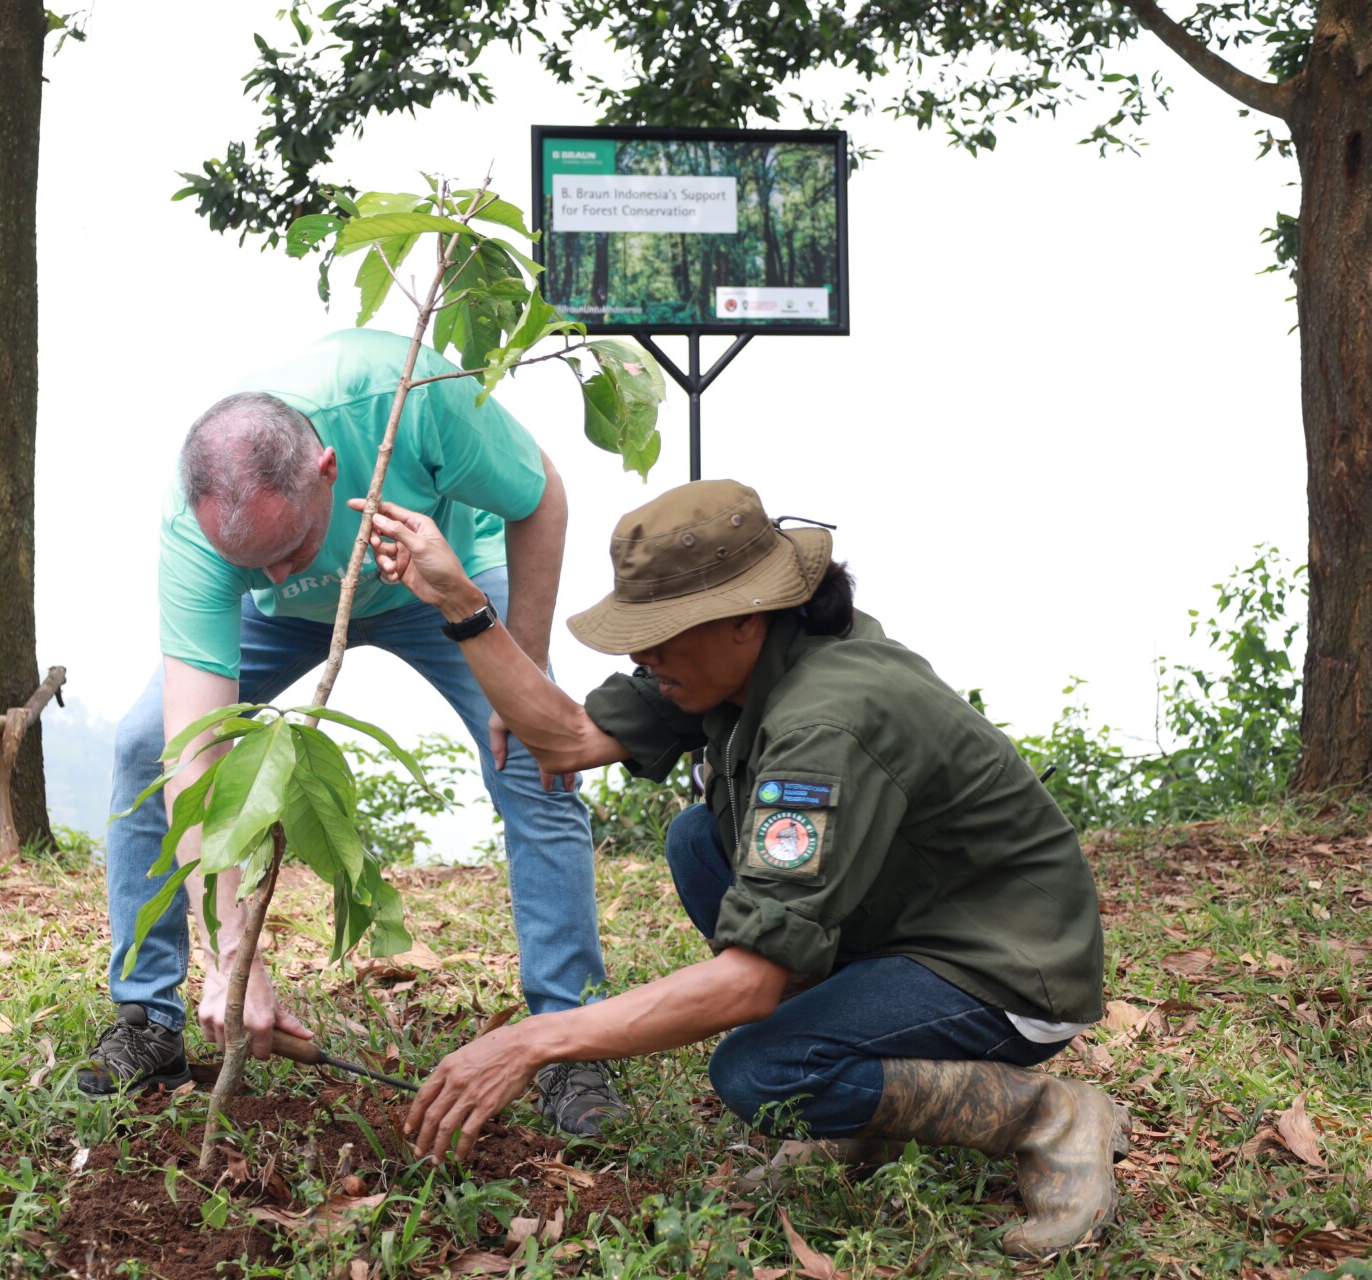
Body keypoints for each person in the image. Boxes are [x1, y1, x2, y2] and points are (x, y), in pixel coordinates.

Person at [361, 478, 1126, 1259]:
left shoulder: (825, 719)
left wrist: (535, 1041)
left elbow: (747, 984)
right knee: (700, 842)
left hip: (1008, 967)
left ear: (745, 619)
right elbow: (563, 740)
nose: (641, 653)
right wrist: (462, 603)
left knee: (763, 1070)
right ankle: (857, 1117)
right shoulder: (731, 666)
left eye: (662, 632)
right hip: (915, 923)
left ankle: (1048, 1114)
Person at [80, 328, 622, 1136]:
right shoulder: (196, 523)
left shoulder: (405, 398)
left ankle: (571, 1045)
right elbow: (195, 749)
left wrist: (527, 673)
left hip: (431, 576)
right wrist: (237, 956)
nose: (273, 571)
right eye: (248, 562)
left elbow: (540, 497)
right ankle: (149, 1019)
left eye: (290, 547)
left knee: (535, 756)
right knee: (139, 748)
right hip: (287, 628)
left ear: (329, 468)